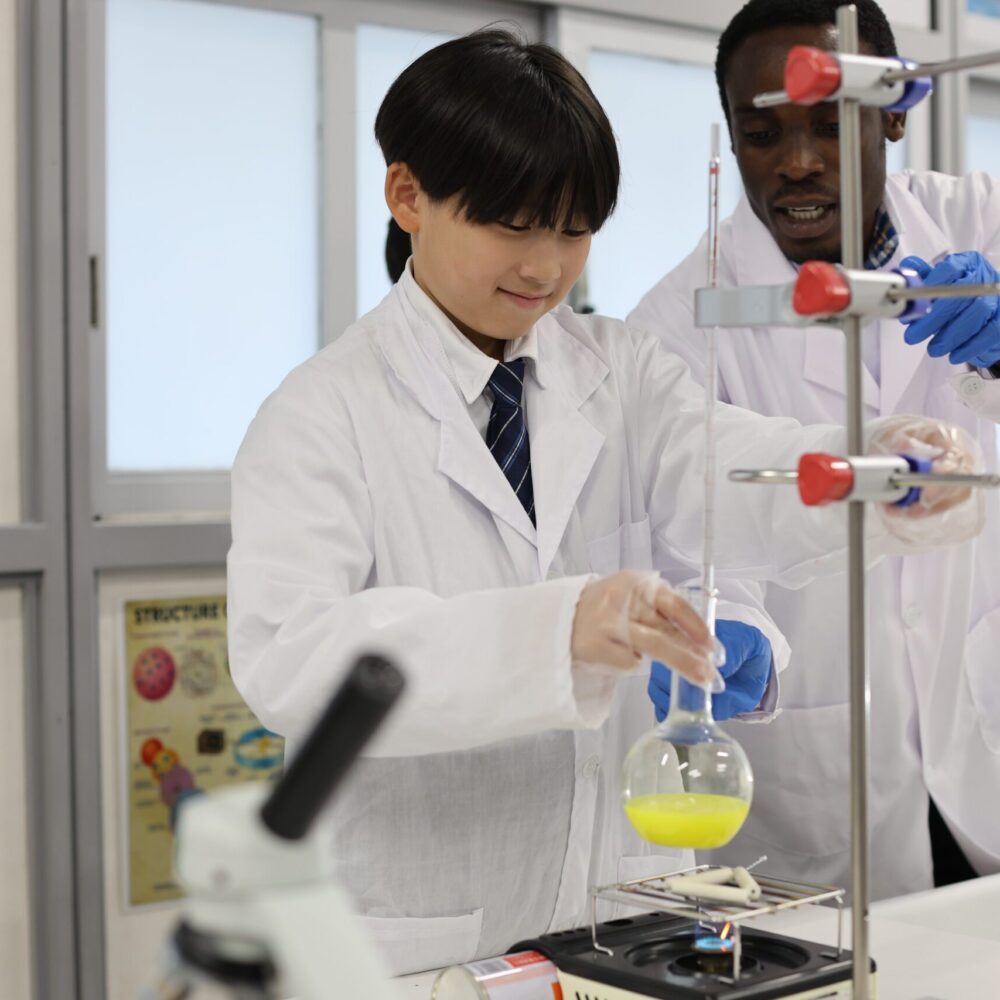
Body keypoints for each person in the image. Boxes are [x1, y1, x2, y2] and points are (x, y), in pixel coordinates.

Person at [228, 30, 980, 974]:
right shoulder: (319, 413)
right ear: (409, 195)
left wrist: (878, 468)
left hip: (625, 915)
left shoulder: (617, 367)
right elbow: (291, 660)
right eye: (513, 224)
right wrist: (556, 632)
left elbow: (727, 465)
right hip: (424, 938)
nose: (546, 267)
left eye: (574, 230)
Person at [630, 0, 1000, 900]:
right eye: (760, 134)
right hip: (828, 788)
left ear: (897, 112)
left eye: (830, 123)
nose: (796, 162)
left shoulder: (982, 223)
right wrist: (724, 620)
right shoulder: (685, 317)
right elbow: (689, 518)